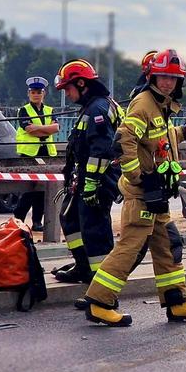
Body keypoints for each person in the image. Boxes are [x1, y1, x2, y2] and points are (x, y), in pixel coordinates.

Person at [82, 49, 186, 327]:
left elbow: (156, 139)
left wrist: (180, 133)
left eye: (173, 79)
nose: (167, 83)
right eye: (163, 77)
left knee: (168, 247)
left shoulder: (160, 104)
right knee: (129, 248)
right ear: (152, 76)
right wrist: (139, 177)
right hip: (143, 196)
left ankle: (177, 302)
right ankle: (99, 302)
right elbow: (123, 141)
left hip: (157, 196)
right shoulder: (143, 103)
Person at [51, 60, 121, 284]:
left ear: (82, 84)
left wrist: (91, 183)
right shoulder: (91, 107)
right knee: (70, 219)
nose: (67, 94)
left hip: (98, 181)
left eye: (68, 88)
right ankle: (83, 266)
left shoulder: (98, 110)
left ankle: (101, 279)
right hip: (84, 179)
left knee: (95, 229)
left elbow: (101, 151)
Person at [13, 76, 59, 230]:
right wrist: (46, 130)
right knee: (28, 189)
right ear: (29, 93)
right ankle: (18, 219)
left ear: (43, 93)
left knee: (41, 190)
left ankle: (37, 222)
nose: (36, 95)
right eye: (33, 92)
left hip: (46, 153)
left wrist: (39, 129)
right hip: (29, 154)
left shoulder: (49, 110)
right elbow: (29, 130)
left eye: (39, 92)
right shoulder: (23, 110)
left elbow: (56, 128)